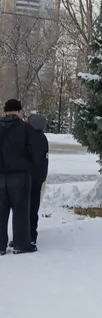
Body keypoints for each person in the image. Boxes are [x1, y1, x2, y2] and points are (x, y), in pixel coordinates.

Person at [0, 99, 36, 255]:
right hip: (20, 176)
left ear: (5, 111)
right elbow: (34, 151)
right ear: (20, 111)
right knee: (21, 211)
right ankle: (21, 244)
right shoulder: (27, 129)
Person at [27, 113, 49, 249]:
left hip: (29, 178)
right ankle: (31, 235)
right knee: (33, 209)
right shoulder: (43, 139)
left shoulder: (30, 138)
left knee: (26, 209)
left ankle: (28, 236)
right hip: (38, 179)